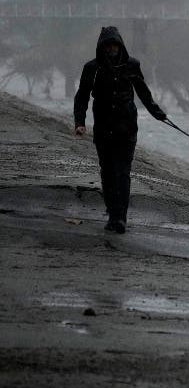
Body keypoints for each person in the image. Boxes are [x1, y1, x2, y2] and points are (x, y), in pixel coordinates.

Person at [73, 26, 167, 233]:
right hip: (103, 128)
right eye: (107, 45)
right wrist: (79, 122)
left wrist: (157, 113)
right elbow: (82, 96)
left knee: (123, 173)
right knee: (107, 173)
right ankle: (112, 214)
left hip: (127, 129)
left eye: (114, 45)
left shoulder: (132, 65)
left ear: (120, 45)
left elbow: (143, 92)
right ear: (102, 47)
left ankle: (121, 218)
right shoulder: (92, 68)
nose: (111, 49)